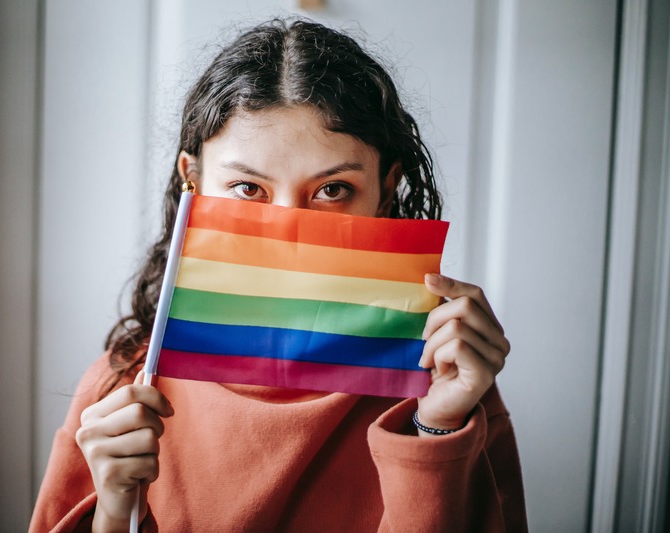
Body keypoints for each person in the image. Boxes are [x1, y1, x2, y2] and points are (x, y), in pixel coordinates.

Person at [30, 18, 527, 533]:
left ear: (386, 190)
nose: (290, 232)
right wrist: (114, 513)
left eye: (332, 190)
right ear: (191, 184)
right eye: (248, 189)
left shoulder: (446, 385)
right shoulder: (121, 391)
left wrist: (437, 430)